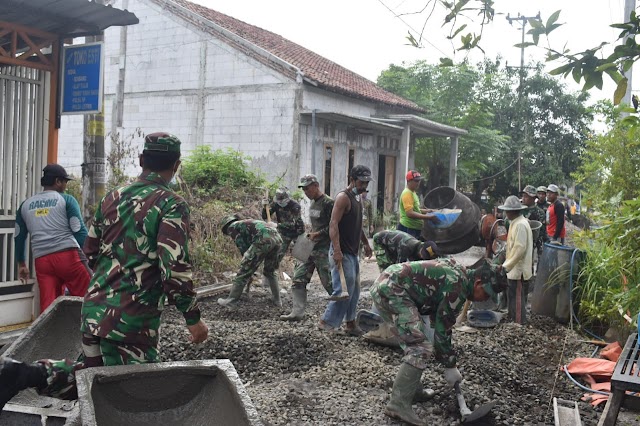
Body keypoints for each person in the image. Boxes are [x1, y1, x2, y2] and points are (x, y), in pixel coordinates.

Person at [0, 132, 208, 411]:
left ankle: (25, 374)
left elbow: (91, 252)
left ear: (141, 160)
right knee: (134, 394)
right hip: (131, 322)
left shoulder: (112, 198)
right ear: (176, 166)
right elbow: (174, 267)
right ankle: (23, 374)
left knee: (93, 380)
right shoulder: (171, 203)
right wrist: (193, 318)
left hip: (94, 312)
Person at [370, 258, 507, 425]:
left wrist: (446, 358)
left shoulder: (461, 275)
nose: (483, 299)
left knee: (421, 339)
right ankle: (398, 404)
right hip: (393, 291)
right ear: (478, 282)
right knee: (420, 347)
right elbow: (443, 330)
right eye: (485, 294)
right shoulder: (458, 288)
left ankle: (412, 390)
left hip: (392, 284)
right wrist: (450, 365)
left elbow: (438, 323)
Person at [14, 164, 91, 313]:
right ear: (57, 181)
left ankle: (49, 336)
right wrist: (94, 255)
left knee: (48, 308)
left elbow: (19, 236)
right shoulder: (66, 200)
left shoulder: (25, 205)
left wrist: (21, 263)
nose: (65, 186)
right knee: (88, 298)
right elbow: (78, 231)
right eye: (65, 182)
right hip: (68, 258)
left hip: (42, 262)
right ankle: (88, 334)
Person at [318, 165, 373, 336]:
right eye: (361, 182)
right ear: (352, 180)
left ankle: (350, 324)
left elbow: (357, 224)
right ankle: (326, 323)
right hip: (341, 251)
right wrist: (336, 250)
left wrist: (365, 243)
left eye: (366, 182)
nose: (364, 186)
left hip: (352, 251)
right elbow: (333, 224)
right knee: (343, 289)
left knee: (355, 290)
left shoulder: (359, 199)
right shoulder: (343, 197)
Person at [281, 174, 334, 321]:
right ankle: (297, 312)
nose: (306, 192)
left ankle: (343, 314)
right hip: (311, 246)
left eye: (308, 188)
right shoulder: (312, 203)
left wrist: (319, 234)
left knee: (329, 283)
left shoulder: (329, 203)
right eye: (303, 189)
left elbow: (334, 226)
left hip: (324, 248)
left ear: (316, 185)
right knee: (298, 278)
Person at [217, 215, 283, 309]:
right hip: (278, 239)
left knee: (243, 271)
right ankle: (277, 300)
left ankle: (230, 301)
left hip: (263, 239)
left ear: (225, 227)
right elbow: (250, 245)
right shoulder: (245, 223)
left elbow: (242, 247)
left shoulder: (232, 227)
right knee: (270, 271)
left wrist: (248, 268)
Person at [499, 196, 533, 324]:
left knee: (518, 299)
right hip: (513, 269)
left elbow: (519, 249)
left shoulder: (520, 225)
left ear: (513, 211)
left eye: (507, 211)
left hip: (518, 269)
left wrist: (506, 266)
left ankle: (519, 323)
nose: (506, 213)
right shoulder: (516, 222)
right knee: (512, 296)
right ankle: (513, 319)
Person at [262, 188, 305, 267]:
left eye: (283, 200)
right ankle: (272, 272)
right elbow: (265, 216)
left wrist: (277, 225)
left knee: (301, 258)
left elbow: (294, 224)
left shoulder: (295, 206)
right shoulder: (276, 204)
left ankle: (298, 277)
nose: (281, 203)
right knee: (277, 254)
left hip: (298, 233)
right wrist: (265, 206)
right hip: (284, 232)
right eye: (279, 201)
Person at [397, 170, 439, 239]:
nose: (418, 183)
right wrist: (429, 217)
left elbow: (415, 209)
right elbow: (410, 213)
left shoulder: (412, 192)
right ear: (409, 181)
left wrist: (428, 211)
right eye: (416, 181)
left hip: (414, 228)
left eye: (419, 181)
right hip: (408, 228)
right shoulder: (407, 193)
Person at [372, 230, 439, 272]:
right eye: (422, 253)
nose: (422, 256)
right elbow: (398, 268)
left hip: (394, 245)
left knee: (392, 264)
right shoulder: (407, 247)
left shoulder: (419, 248)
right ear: (422, 246)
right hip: (380, 240)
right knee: (387, 269)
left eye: (425, 256)